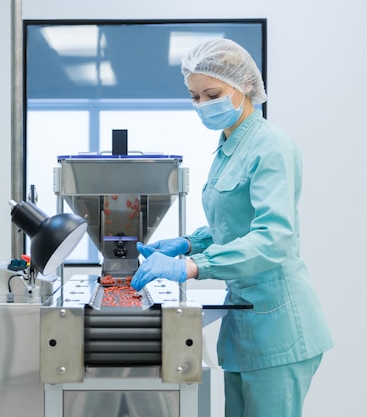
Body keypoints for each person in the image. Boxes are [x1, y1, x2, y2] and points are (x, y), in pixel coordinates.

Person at [131, 38, 334, 417]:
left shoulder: (271, 146)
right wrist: (188, 244)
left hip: (279, 328)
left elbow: (272, 238)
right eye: (195, 97)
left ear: (244, 87)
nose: (204, 105)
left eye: (213, 93)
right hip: (245, 326)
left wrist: (194, 267)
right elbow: (233, 222)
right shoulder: (228, 148)